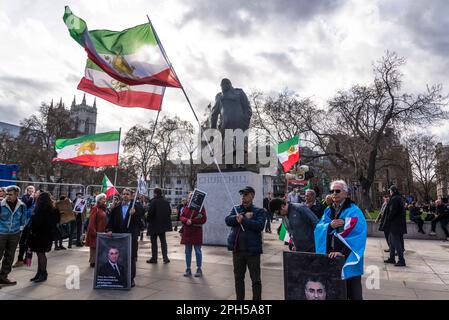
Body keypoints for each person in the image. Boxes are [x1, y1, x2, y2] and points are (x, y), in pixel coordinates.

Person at [314, 180, 367, 300]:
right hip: (331, 256)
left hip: (348, 256)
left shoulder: (354, 211)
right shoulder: (328, 210)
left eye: (338, 191)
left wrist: (342, 253)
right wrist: (329, 226)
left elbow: (358, 236)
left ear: (346, 193)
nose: (334, 193)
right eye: (332, 191)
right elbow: (318, 229)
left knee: (354, 293)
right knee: (335, 292)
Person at [225, 186, 265, 300]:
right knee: (238, 278)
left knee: (256, 280)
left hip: (253, 251)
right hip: (237, 250)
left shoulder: (259, 211)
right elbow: (228, 220)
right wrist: (239, 217)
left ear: (252, 196)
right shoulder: (236, 209)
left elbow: (259, 226)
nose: (243, 197)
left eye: (246, 194)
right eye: (242, 195)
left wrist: (244, 220)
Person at [106, 188, 144, 288]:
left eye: (127, 194)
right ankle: (119, 277)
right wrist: (109, 230)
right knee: (119, 257)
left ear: (131, 196)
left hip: (131, 237)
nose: (125, 196)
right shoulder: (116, 208)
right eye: (124, 194)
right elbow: (110, 222)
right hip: (119, 237)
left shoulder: (136, 207)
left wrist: (134, 214)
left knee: (131, 258)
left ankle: (131, 279)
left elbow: (141, 224)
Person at [27, 192, 59, 283]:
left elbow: (37, 223)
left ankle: (43, 273)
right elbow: (56, 221)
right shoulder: (53, 209)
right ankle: (39, 273)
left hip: (40, 235)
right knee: (40, 254)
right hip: (46, 235)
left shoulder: (40, 210)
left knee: (41, 254)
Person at [0, 185, 27, 286]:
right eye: (7, 194)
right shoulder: (1, 204)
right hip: (1, 233)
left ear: (16, 195)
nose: (8, 196)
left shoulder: (22, 206)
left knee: (10, 256)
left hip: (14, 234)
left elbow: (23, 220)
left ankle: (3, 277)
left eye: (10, 194)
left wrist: (19, 231)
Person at [180, 193, 207, 277]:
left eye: (191, 197)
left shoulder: (200, 208)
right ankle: (188, 269)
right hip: (188, 232)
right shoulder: (186, 207)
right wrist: (186, 220)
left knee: (198, 251)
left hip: (196, 232)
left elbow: (204, 219)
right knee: (187, 252)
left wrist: (193, 221)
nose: (190, 199)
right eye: (189, 197)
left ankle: (199, 269)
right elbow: (181, 216)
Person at [146, 188, 172, 264]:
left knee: (154, 243)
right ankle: (165, 258)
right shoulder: (166, 202)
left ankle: (154, 258)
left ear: (155, 193)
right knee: (163, 242)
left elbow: (150, 213)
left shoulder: (153, 202)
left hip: (154, 225)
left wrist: (147, 219)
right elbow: (169, 212)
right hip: (163, 225)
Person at [383, 185, 407, 267]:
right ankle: (392, 258)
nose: (389, 192)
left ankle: (401, 260)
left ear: (392, 191)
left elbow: (392, 211)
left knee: (396, 243)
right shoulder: (399, 198)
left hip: (395, 224)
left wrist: (388, 219)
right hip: (398, 224)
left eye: (390, 191)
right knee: (391, 241)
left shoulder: (394, 199)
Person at [13, 186, 37, 268]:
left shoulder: (36, 199)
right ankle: (20, 259)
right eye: (29, 190)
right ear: (26, 191)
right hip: (25, 222)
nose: (30, 192)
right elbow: (27, 203)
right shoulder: (25, 197)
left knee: (27, 242)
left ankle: (26, 259)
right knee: (23, 241)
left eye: (32, 191)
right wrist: (31, 197)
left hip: (31, 223)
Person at [85, 193, 108, 268]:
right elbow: (91, 221)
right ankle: (93, 262)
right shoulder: (95, 208)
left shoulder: (103, 209)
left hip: (101, 231)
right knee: (94, 247)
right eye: (103, 199)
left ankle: (97, 261)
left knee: (98, 247)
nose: (105, 200)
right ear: (99, 200)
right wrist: (93, 231)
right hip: (95, 232)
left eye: (105, 199)